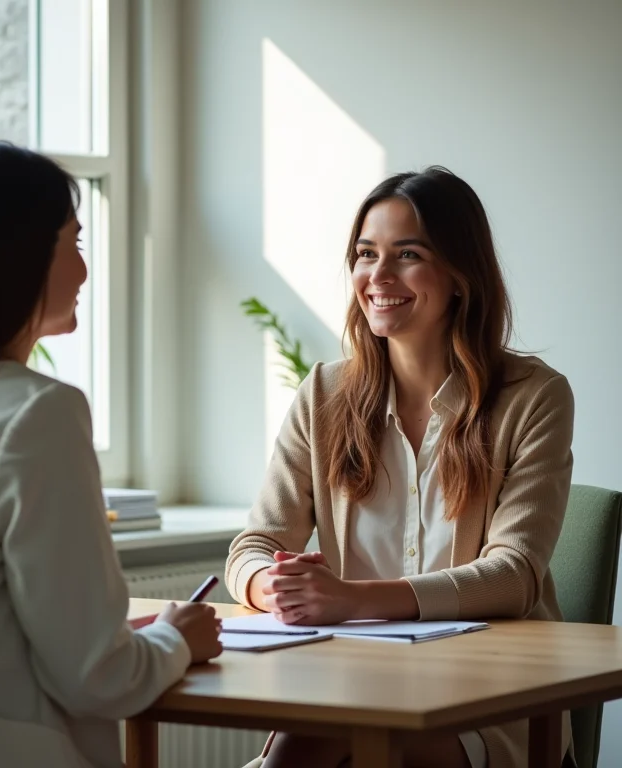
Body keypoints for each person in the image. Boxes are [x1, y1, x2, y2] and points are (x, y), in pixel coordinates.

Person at [0, 140, 222, 768]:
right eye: (74, 243)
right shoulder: (35, 414)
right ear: (20, 256)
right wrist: (174, 640)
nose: (83, 270)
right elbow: (97, 679)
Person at [227, 167, 575, 768]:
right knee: (306, 741)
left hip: (487, 694)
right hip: (352, 681)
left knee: (377, 745)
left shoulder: (533, 396)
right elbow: (253, 545)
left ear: (460, 276)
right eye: (366, 255)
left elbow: (514, 574)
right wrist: (276, 586)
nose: (378, 277)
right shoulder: (325, 394)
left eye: (407, 254)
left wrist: (349, 599)